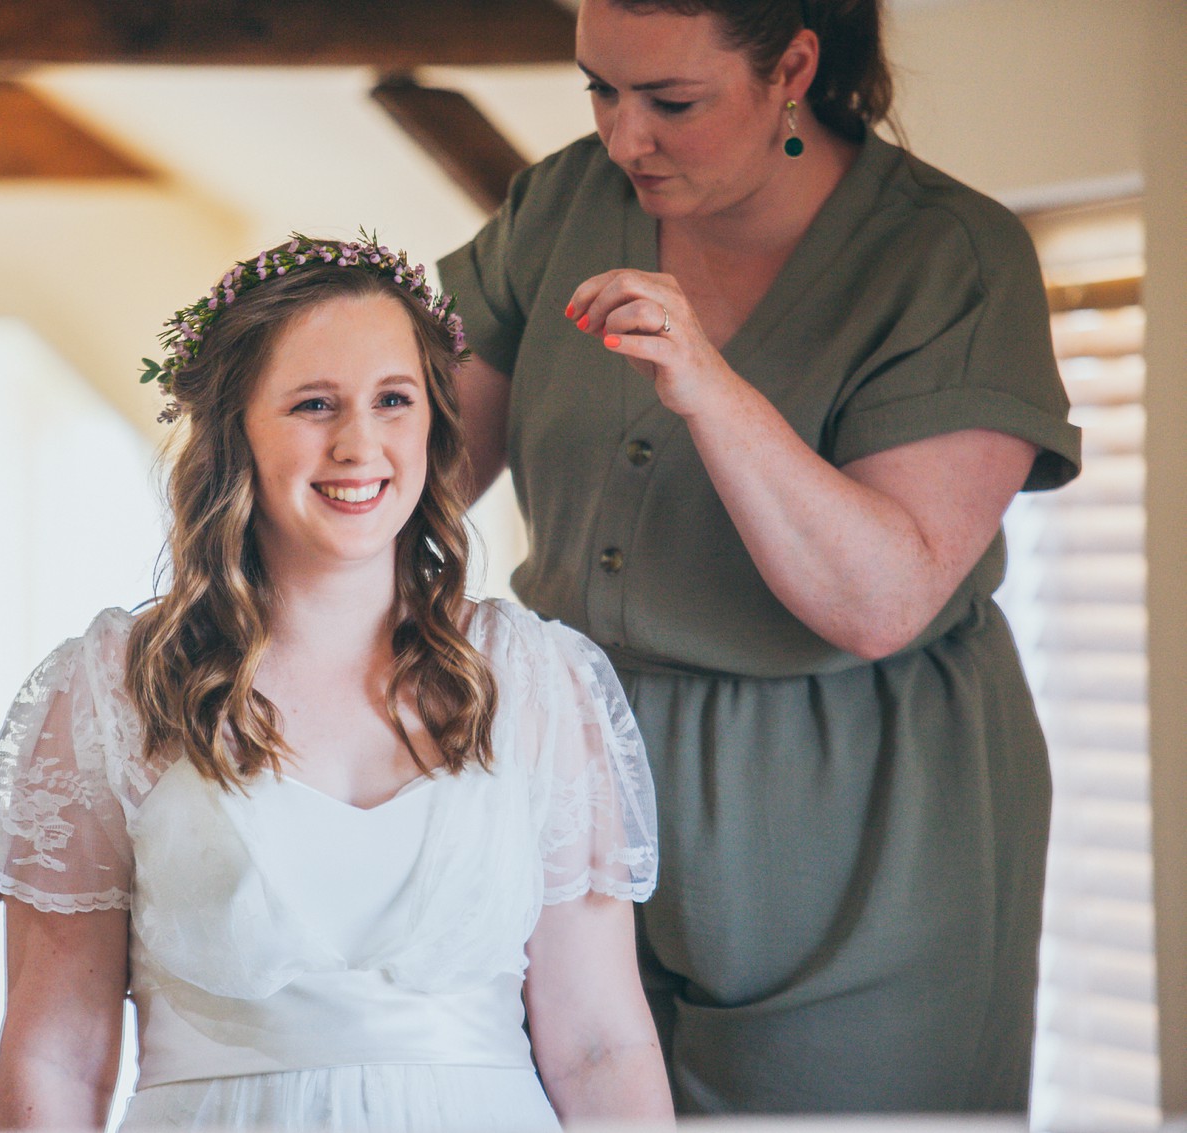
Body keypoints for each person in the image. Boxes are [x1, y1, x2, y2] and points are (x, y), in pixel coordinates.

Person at [437, 0, 1082, 1116]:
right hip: (574, 783)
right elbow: (407, 472)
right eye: (598, 87)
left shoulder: (950, 256)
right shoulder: (561, 202)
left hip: (857, 817)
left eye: (670, 102)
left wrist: (706, 385)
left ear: (791, 66)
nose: (621, 136)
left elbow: (882, 595)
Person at [0, 235, 673, 1130]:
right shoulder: (113, 686)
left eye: (392, 400)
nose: (358, 443)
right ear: (235, 432)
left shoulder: (537, 678)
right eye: (312, 404)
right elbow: (55, 1057)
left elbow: (601, 1043)